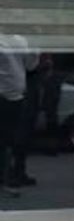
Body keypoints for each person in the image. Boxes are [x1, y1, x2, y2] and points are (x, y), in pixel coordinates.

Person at [0, 33, 37, 197]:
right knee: (3, 141)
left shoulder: (20, 40)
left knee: (7, 140)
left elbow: (30, 66)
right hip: (3, 95)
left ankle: (4, 179)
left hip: (15, 97)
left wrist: (34, 49)